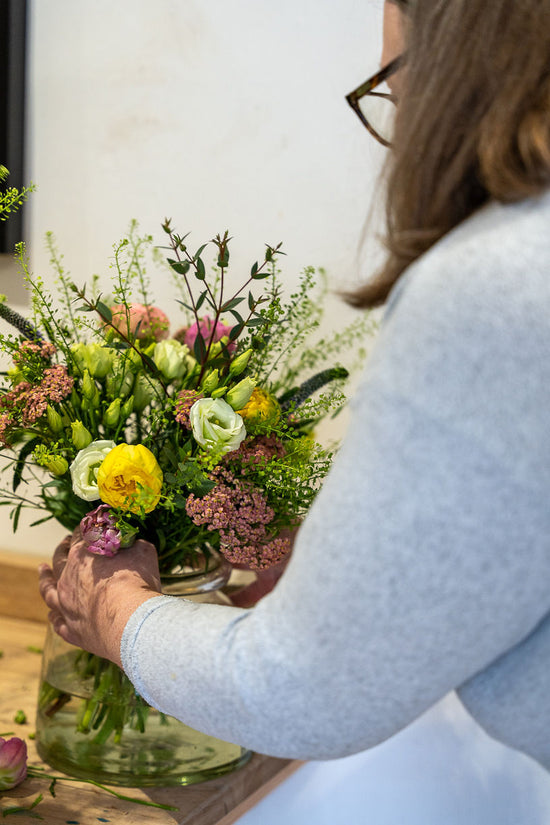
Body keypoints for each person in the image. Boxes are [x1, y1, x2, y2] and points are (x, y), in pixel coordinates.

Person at [39, 0, 550, 782]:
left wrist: (111, 610)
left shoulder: (495, 285)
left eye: (397, 83)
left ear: (458, 69)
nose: (400, 125)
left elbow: (304, 689)